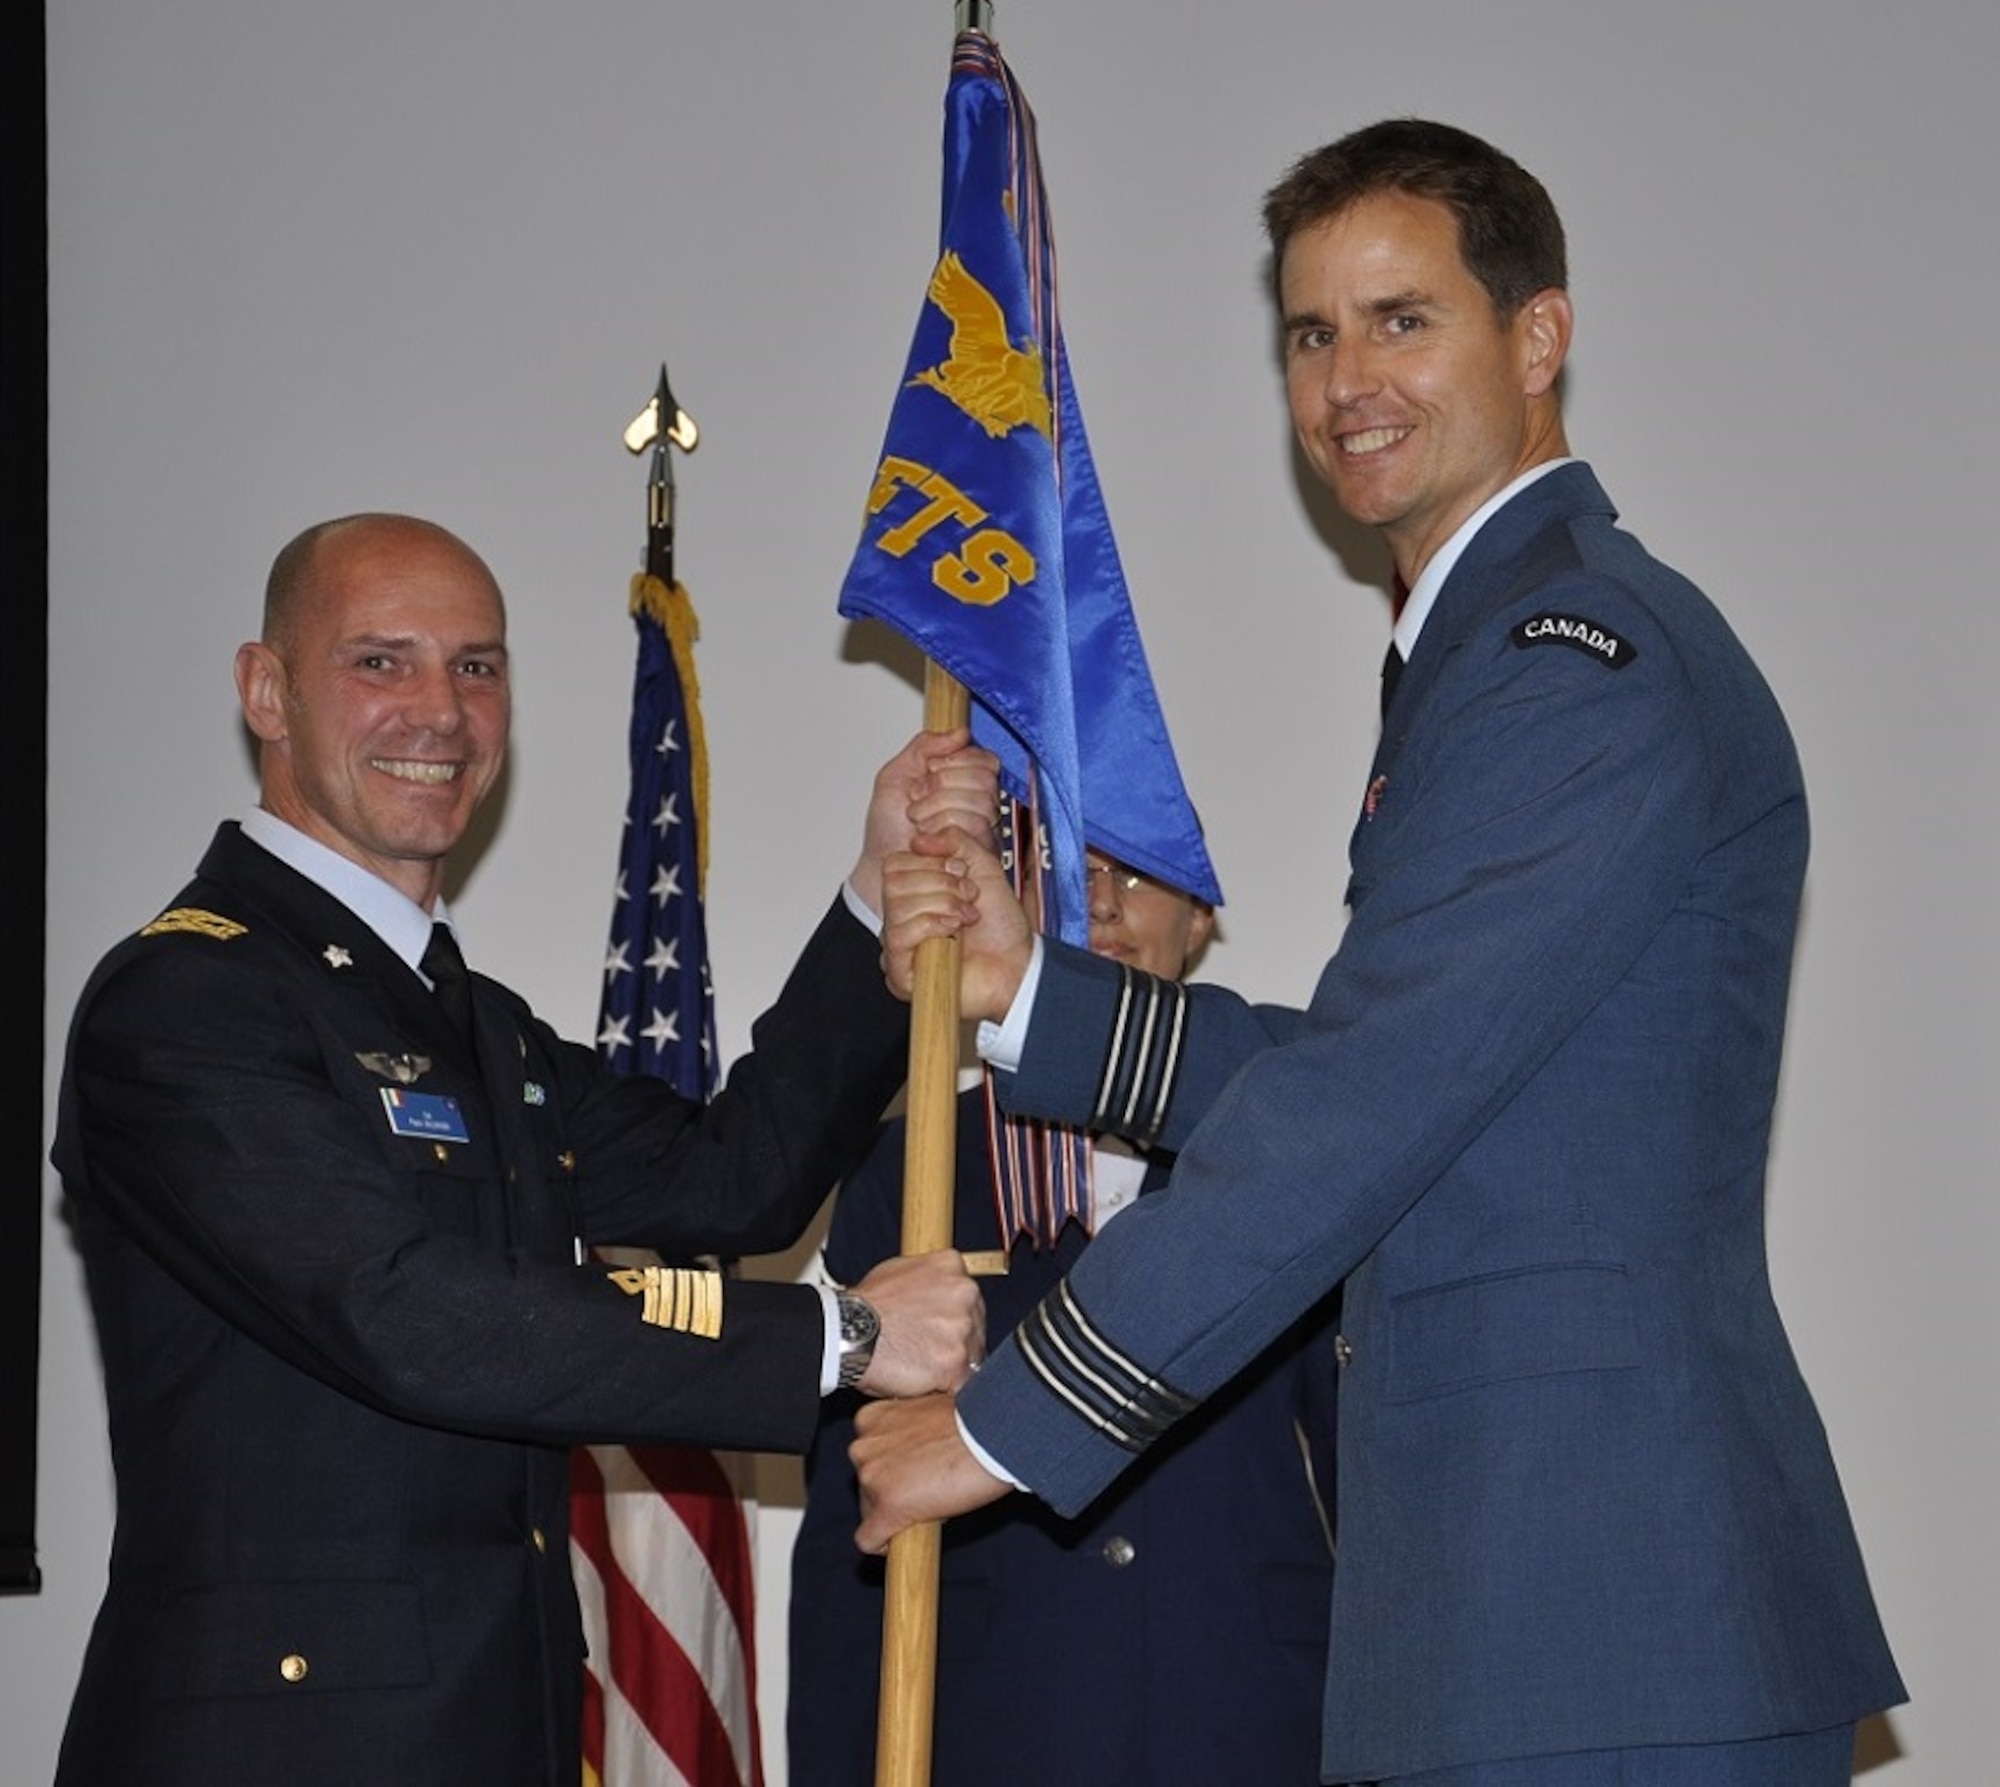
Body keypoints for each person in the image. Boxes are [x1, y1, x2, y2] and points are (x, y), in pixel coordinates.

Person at [853, 120, 1906, 1786]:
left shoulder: (1575, 661)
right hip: (1516, 1624)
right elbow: (1404, 1075)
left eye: (1403, 318)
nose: (1350, 375)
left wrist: (1005, 1420)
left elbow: (1361, 1103)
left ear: (1537, 336)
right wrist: (1025, 995)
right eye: (1312, 330)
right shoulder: (1486, 652)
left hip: (1602, 1621)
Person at [51, 511, 987, 1787]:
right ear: (265, 691)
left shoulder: (470, 1022)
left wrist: (877, 901)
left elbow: (729, 1178)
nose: (438, 710)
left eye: (476, 667)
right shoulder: (185, 999)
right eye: (380, 660)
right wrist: (844, 1338)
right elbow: (411, 1314)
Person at [788, 848, 1338, 1785]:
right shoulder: (919, 1166)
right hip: (1000, 1719)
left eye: (1139, 874)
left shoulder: (1295, 1148)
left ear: (1201, 916)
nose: (1106, 907)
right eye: (1070, 869)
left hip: (1249, 1711)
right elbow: (855, 1504)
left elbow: (1362, 1459)